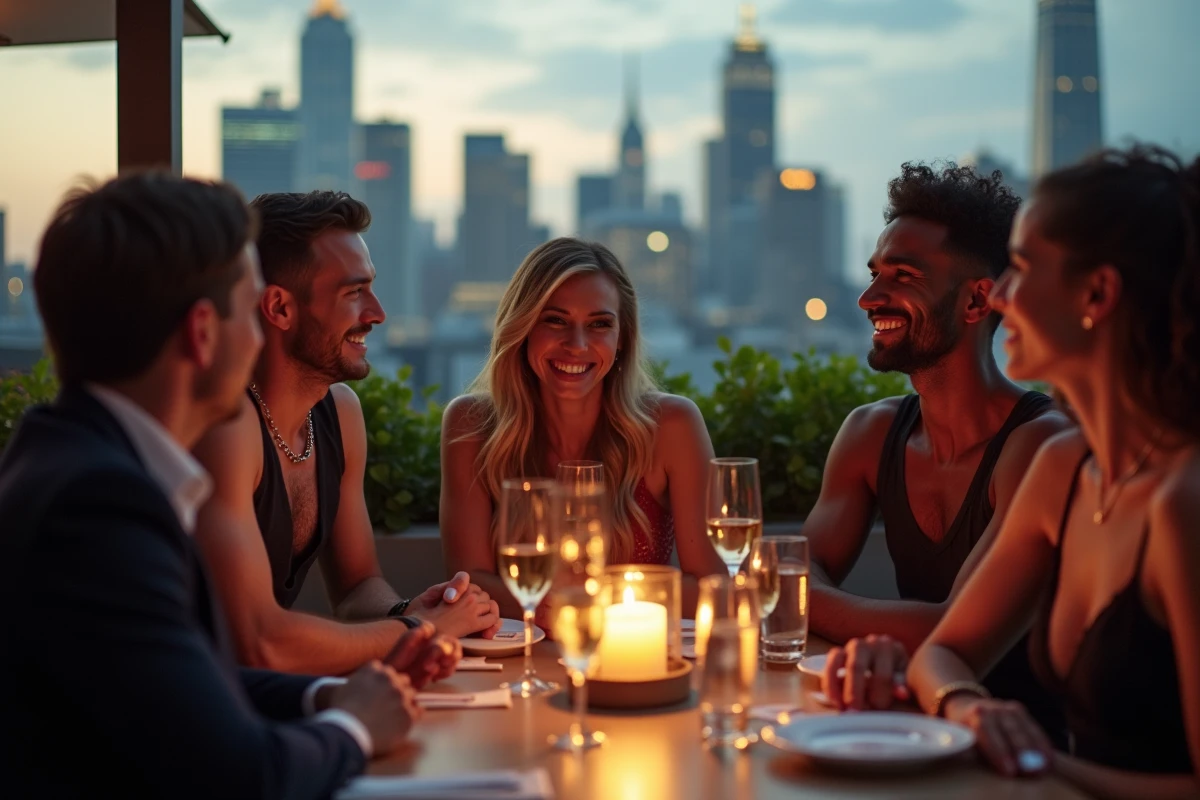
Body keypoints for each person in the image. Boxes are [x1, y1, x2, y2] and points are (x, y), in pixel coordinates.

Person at [0, 173, 459, 798]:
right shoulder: (97, 506)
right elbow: (240, 776)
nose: (260, 336)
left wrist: (330, 693)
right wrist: (354, 727)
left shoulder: (80, 460)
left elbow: (189, 679)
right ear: (203, 332)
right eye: (249, 309)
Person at [908, 146, 1200, 797]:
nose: (1001, 295)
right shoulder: (1066, 467)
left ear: (1097, 292)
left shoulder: (1183, 499)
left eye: (1020, 266)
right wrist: (968, 708)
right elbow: (942, 652)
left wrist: (1037, 766)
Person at [803, 163, 1071, 723]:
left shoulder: (1039, 444)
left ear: (978, 302)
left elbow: (950, 628)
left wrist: (806, 602)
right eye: (875, 273)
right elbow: (791, 575)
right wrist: (799, 595)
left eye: (902, 276)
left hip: (1015, 757)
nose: (869, 298)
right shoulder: (869, 433)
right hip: (903, 731)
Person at [192, 190, 499, 676]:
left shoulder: (339, 413)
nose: (377, 313)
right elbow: (258, 642)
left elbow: (357, 589)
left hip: (252, 693)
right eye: (354, 293)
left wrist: (408, 610)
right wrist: (420, 631)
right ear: (280, 307)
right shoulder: (227, 428)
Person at [440, 237, 727, 620]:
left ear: (622, 338)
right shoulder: (471, 426)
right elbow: (470, 584)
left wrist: (577, 604)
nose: (576, 345)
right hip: (515, 664)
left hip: (635, 662)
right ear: (522, 326)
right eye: (555, 320)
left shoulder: (671, 426)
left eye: (599, 324)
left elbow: (715, 589)